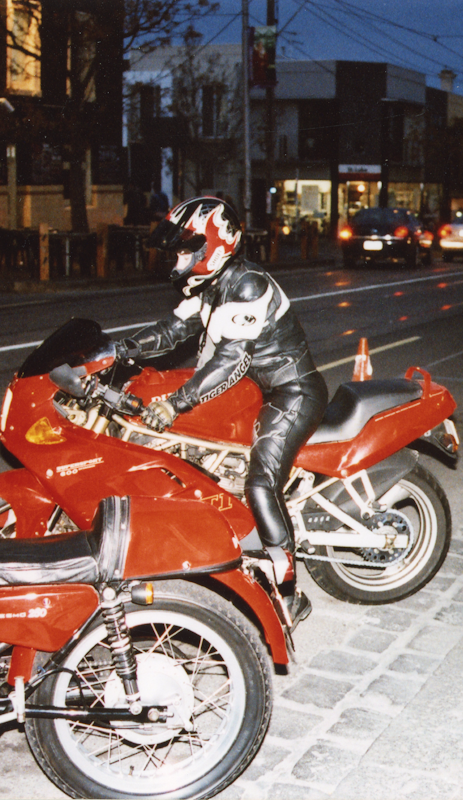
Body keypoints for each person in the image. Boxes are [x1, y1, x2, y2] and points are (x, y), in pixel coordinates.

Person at [117, 196, 328, 625]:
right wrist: (119, 349)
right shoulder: (211, 283)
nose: (178, 257)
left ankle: (287, 592)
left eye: (184, 248)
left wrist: (176, 403)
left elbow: (230, 360)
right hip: (257, 391)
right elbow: (173, 329)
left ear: (213, 244)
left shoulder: (247, 284)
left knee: (260, 484)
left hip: (292, 391)